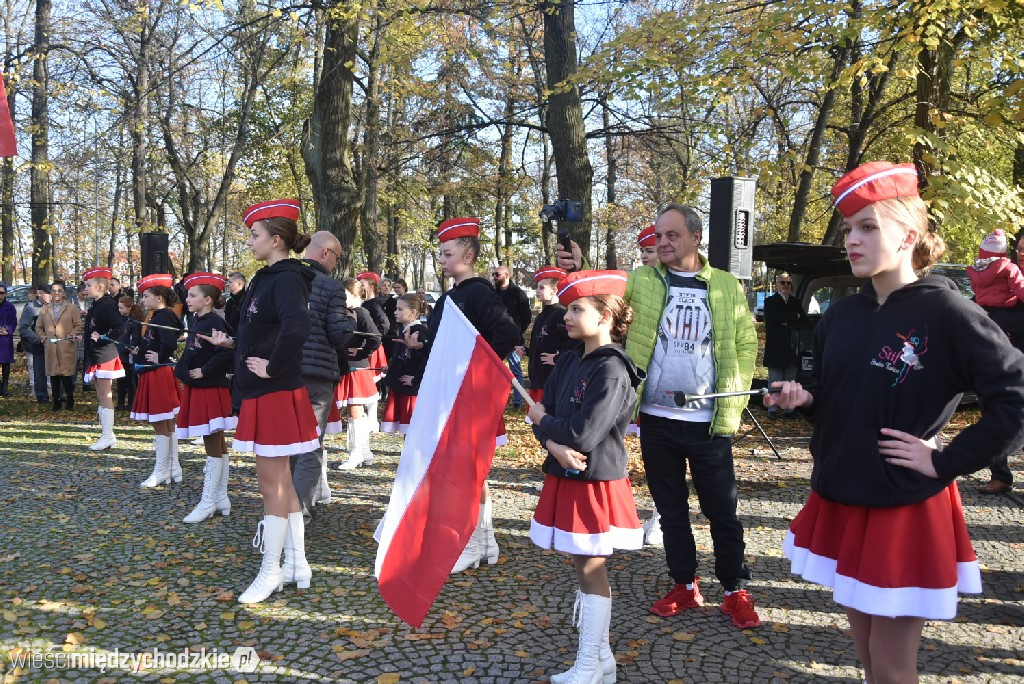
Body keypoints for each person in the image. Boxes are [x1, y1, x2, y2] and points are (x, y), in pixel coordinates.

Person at [765, 160, 1024, 683]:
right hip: (841, 490)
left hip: (903, 503)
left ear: (908, 234)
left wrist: (948, 461)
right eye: (848, 230)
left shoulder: (948, 311)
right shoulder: (840, 315)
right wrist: (805, 400)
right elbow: (838, 397)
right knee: (864, 651)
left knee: (889, 663)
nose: (852, 241)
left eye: (868, 227)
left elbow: (1015, 396)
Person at [558, 203, 761, 629]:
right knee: (671, 509)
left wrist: (732, 407)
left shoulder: (725, 286)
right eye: (659, 236)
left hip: (708, 422)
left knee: (722, 511)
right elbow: (605, 298)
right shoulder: (644, 281)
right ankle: (685, 585)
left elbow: (745, 344)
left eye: (672, 235)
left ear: (695, 238)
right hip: (657, 417)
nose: (663, 243)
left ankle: (734, 589)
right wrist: (582, 267)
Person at [526, 269, 644, 684]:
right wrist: (553, 443)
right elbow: (544, 416)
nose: (566, 317)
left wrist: (550, 427)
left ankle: (591, 665)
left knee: (591, 568)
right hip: (567, 472)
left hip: (594, 483)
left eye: (577, 309)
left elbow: (582, 433)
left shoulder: (611, 370)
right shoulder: (572, 360)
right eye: (568, 308)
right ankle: (602, 657)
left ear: (606, 315)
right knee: (581, 566)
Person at [203, 198, 319, 604]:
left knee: (271, 486)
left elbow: (297, 327)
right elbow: (266, 330)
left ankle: (271, 571)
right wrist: (234, 343)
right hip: (265, 391)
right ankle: (297, 563)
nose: (249, 242)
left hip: (273, 392)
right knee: (282, 484)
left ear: (275, 238)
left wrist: (271, 365)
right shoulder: (266, 277)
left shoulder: (284, 278)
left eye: (255, 235)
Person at [404, 216, 520, 573]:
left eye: (447, 253)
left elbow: (507, 332)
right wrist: (422, 342)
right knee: (469, 473)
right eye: (439, 253)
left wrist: (478, 369)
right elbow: (444, 344)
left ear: (468, 256)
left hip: (469, 395)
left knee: (466, 472)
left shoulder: (480, 293)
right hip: (451, 394)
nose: (441, 260)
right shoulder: (449, 298)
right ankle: (484, 542)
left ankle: (470, 543)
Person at [292, 232, 355, 521]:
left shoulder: (279, 278)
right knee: (309, 442)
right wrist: (350, 322)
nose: (337, 264)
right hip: (317, 373)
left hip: (282, 370)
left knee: (288, 440)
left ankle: (286, 504)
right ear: (325, 253)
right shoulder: (331, 286)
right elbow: (337, 333)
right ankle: (298, 509)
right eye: (338, 258)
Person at [176, 273, 236, 522]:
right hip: (200, 387)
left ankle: (208, 501)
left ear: (208, 299)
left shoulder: (214, 322)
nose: (187, 299)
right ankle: (220, 497)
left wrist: (205, 370)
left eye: (192, 295)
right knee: (215, 441)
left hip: (210, 387)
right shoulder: (198, 319)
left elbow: (226, 353)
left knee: (212, 442)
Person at [975, 232, 1024, 495]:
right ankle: (1000, 475)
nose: (1022, 253)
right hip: (996, 363)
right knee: (994, 417)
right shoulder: (999, 276)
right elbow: (976, 309)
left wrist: (1000, 324)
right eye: (1019, 249)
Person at [131, 275, 184, 488]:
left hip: (158, 372)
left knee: (160, 421)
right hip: (158, 371)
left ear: (159, 298)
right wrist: (142, 349)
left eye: (146, 296)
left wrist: (159, 357)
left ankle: (162, 470)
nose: (143, 300)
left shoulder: (162, 316)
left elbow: (169, 341)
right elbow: (160, 339)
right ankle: (173, 467)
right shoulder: (162, 315)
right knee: (166, 422)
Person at [334, 278, 382, 470]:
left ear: (354, 295)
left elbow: (375, 338)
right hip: (352, 367)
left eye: (343, 295)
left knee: (354, 411)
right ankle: (365, 451)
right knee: (355, 411)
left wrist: (361, 352)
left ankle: (356, 454)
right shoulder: (352, 313)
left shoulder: (361, 313)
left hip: (357, 368)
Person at [82, 267, 126, 449]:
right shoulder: (97, 304)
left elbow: (119, 328)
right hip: (97, 355)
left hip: (105, 355)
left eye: (88, 284)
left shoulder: (107, 305)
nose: (85, 287)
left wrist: (102, 338)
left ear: (100, 286)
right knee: (101, 395)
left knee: (105, 395)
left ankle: (108, 436)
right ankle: (107, 434)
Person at [380, 293, 428, 435]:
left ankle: (415, 457)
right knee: (406, 430)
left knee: (413, 430)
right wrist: (392, 368)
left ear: (413, 312)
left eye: (400, 309)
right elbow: (403, 357)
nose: (395, 312)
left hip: (411, 390)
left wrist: (415, 379)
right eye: (396, 309)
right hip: (402, 387)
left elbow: (425, 359)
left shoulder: (418, 333)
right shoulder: (405, 330)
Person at [525, 266, 571, 411]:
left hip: (550, 379)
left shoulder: (561, 314)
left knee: (546, 421)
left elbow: (573, 342)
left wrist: (557, 358)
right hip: (537, 377)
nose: (537, 291)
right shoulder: (541, 315)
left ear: (554, 290)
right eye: (537, 287)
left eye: (541, 287)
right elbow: (541, 343)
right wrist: (527, 351)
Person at [762, 271, 805, 418]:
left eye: (788, 283)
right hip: (776, 347)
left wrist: (786, 320)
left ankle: (789, 409)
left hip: (792, 348)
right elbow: (774, 319)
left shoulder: (796, 302)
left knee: (790, 380)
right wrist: (793, 317)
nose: (786, 286)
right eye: (783, 282)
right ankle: (772, 409)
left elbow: (803, 320)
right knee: (775, 380)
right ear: (777, 285)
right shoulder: (770, 301)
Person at [35, 281, 83, 410]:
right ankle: (56, 401)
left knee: (66, 375)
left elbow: (79, 325)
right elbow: (38, 327)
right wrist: (44, 339)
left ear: (64, 293)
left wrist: (71, 335)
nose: (56, 293)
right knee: (54, 375)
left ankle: (70, 400)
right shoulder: (45, 309)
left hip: (66, 346)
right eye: (54, 290)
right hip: (50, 346)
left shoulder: (71, 308)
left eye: (59, 290)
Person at [493, 265, 532, 409]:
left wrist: (517, 332)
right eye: (494, 274)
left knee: (515, 371)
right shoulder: (493, 293)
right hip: (497, 339)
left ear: (507, 275)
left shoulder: (518, 293)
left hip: (514, 341)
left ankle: (517, 401)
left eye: (497, 274)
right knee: (494, 370)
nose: (495, 277)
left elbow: (526, 317)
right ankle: (496, 399)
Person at [357, 271, 390, 428]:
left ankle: (372, 420)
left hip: (372, 348)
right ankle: (368, 418)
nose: (360, 288)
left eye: (362, 285)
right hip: (368, 346)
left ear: (370, 287)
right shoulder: (364, 304)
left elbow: (384, 324)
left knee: (370, 382)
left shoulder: (374, 304)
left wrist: (371, 337)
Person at [19, 284, 51, 403]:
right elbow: (23, 328)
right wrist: (38, 339)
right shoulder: (31, 308)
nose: (50, 296)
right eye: (48, 293)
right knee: (40, 371)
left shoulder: (54, 307)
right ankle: (42, 396)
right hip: (39, 345)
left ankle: (58, 394)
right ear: (39, 293)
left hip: (54, 344)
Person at [115, 296, 143, 412]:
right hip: (120, 353)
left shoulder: (134, 321)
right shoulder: (119, 319)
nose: (120, 310)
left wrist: (129, 347)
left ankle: (131, 402)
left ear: (129, 307)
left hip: (129, 354)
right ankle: (120, 401)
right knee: (121, 380)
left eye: (122, 308)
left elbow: (136, 337)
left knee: (131, 380)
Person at [0, 283, 16, 396]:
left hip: (5, 339)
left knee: (5, 363)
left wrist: (8, 330)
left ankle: (4, 387)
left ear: (5, 294)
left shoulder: (10, 307)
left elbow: (13, 321)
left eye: (2, 293)